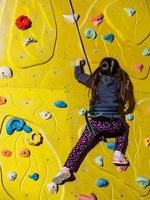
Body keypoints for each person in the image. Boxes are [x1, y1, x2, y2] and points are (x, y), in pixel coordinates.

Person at [48, 57, 134, 193]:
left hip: (97, 124)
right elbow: (124, 83)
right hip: (114, 124)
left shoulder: (95, 81)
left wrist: (77, 65)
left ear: (100, 69)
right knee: (123, 130)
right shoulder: (119, 84)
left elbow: (79, 76)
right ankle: (118, 153)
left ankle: (66, 169)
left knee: (80, 146)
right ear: (117, 72)